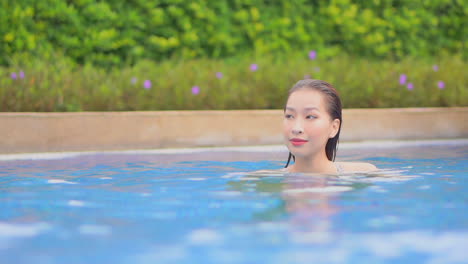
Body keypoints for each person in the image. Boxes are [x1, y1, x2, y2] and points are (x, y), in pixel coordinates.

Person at [283, 79, 377, 174]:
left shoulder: (365, 173)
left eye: (310, 116)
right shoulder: (270, 178)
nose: (296, 128)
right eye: (290, 116)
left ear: (334, 127)